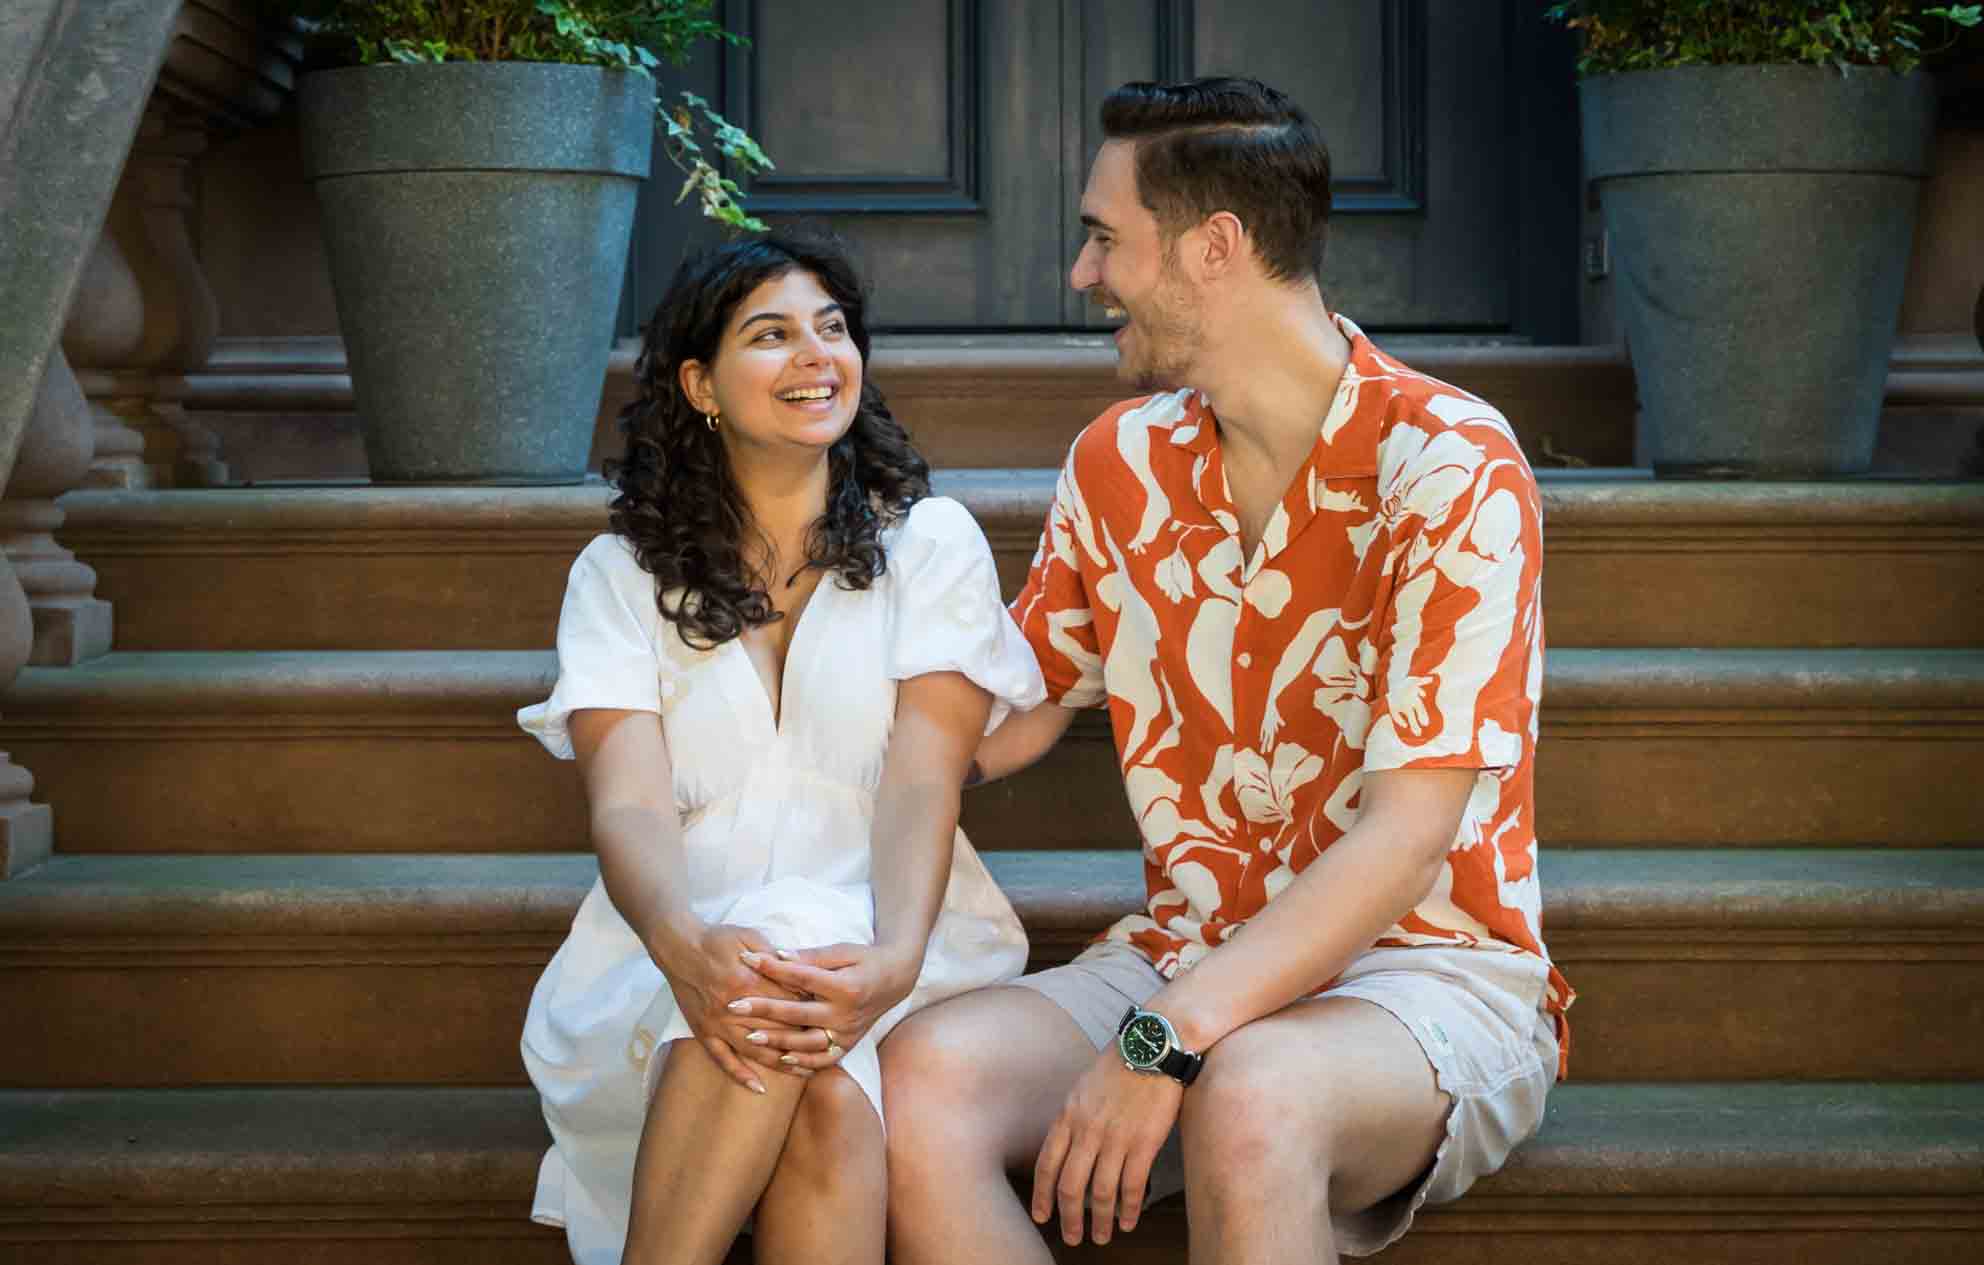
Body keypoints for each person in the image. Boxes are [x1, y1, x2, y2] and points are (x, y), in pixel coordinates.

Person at [879, 77, 1575, 1264]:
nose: (1080, 274)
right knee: (913, 1081)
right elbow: (1008, 711)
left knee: (1250, 1091)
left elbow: (1406, 836)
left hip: (1422, 975)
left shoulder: (1447, 465)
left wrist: (1164, 1041)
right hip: (1181, 954)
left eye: (1104, 237)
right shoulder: (1118, 461)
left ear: (1214, 247)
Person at [515, 234, 1045, 1265]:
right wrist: (682, 945)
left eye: (832, 328)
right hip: (670, 945)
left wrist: (892, 960)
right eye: (771, 335)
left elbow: (920, 780)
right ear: (699, 384)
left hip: (897, 933)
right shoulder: (618, 574)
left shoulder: (927, 545)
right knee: (822, 1097)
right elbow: (626, 804)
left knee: (782, 962)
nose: (816, 354)